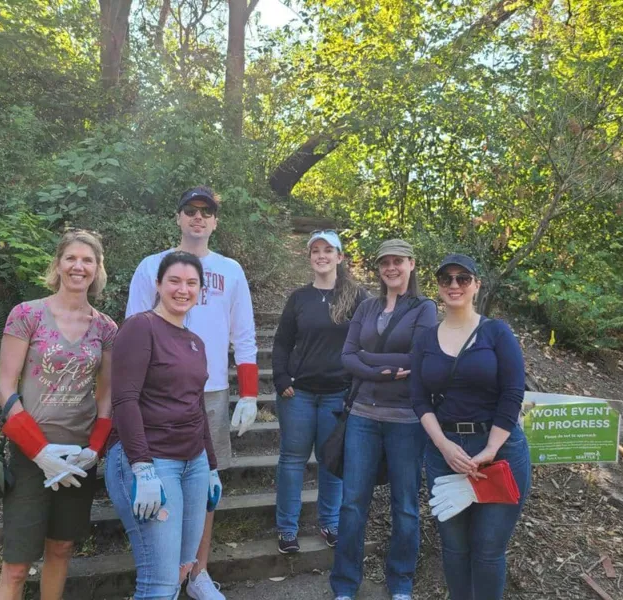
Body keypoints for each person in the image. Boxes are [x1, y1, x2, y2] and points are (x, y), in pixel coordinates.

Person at [125, 185, 258, 600]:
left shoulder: (231, 270)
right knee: (160, 484)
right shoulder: (152, 266)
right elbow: (133, 325)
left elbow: (245, 335)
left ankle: (197, 570)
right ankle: (160, 571)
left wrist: (249, 394)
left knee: (204, 488)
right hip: (157, 392)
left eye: (206, 211)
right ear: (179, 217)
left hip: (212, 391)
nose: (198, 217)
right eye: (190, 210)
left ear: (215, 221)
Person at [0, 230, 117, 600]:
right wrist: (38, 451)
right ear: (58, 264)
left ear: (97, 269)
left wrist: (94, 449)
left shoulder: (106, 328)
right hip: (31, 455)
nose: (79, 266)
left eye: (88, 260)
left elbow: (107, 395)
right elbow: (5, 387)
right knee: (16, 565)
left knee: (61, 549)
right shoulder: (27, 315)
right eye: (71, 258)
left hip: (78, 456)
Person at [410, 253, 531, 600]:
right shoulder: (425, 340)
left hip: (500, 451)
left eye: (463, 278)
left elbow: (512, 393)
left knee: (488, 549)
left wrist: (490, 450)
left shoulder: (496, 332)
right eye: (446, 279)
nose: (454, 285)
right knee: (455, 548)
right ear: (438, 286)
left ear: (477, 285)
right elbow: (419, 399)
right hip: (444, 452)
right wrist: (444, 446)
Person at [330, 239, 438, 600]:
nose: (391, 268)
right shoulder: (367, 306)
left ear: (411, 264)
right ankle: (345, 585)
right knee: (352, 502)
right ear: (378, 269)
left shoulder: (424, 308)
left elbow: (418, 358)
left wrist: (369, 361)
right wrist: (385, 370)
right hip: (361, 415)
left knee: (405, 505)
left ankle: (401, 583)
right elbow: (347, 356)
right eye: (384, 263)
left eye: (398, 261)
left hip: (406, 420)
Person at [107, 251, 218, 600]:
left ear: (201, 291)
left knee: (184, 567)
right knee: (158, 581)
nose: (182, 289)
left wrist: (211, 467)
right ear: (157, 284)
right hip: (153, 462)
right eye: (174, 281)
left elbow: (196, 405)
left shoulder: (195, 342)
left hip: (194, 462)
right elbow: (124, 399)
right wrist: (141, 467)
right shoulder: (141, 327)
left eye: (191, 283)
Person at [272, 230, 368, 554]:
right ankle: (287, 529)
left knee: (332, 462)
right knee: (292, 461)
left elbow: (368, 344)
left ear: (340, 257)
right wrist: (281, 377)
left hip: (337, 395)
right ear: (310, 257)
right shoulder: (299, 298)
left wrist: (356, 388)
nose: (322, 255)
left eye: (329, 250)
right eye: (316, 251)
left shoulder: (357, 298)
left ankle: (331, 524)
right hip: (297, 395)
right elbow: (282, 342)